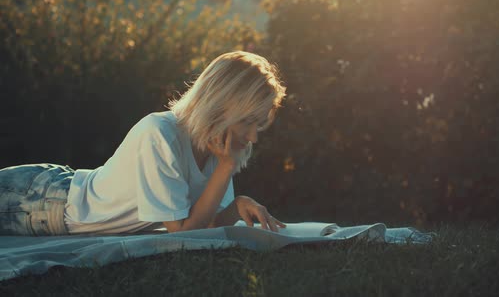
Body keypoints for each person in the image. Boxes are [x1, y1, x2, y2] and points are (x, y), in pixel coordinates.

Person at [0, 51, 287, 236]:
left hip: (50, 197)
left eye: (258, 124)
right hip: (40, 199)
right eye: (247, 121)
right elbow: (183, 234)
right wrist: (225, 168)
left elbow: (206, 224)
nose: (253, 137)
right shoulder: (160, 133)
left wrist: (237, 205)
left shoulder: (219, 148)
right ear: (222, 106)